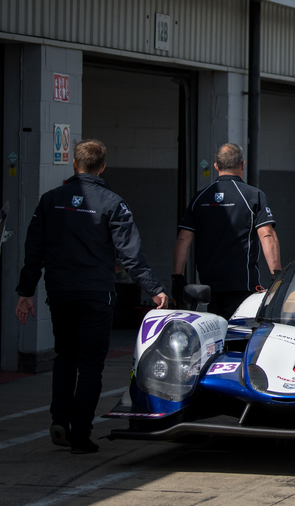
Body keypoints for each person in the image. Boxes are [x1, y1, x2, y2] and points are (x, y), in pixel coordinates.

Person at [15, 139, 168, 455]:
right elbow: (130, 255)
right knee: (90, 365)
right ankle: (80, 434)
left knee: (65, 356)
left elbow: (34, 251)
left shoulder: (50, 200)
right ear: (102, 166)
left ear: (74, 164)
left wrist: (25, 292)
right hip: (96, 294)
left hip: (60, 292)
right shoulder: (113, 203)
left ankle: (60, 419)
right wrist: (154, 289)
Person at [173, 143, 282, 320]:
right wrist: (276, 275)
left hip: (209, 287)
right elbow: (267, 235)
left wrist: (177, 277)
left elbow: (183, 240)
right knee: (239, 336)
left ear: (216, 167)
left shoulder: (199, 198)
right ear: (242, 165)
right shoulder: (254, 196)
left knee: (215, 335)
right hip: (242, 285)